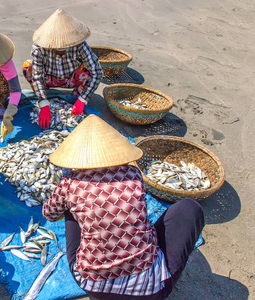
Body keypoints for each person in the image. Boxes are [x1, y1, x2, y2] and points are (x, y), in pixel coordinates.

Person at [42, 115, 204, 299]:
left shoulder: (69, 184)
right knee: (189, 208)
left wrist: (71, 199)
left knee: (69, 207)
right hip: (150, 290)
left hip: (93, 286)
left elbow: (49, 214)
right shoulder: (134, 174)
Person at [23, 9, 103, 129]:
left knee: (88, 71)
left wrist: (83, 99)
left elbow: (97, 72)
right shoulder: (39, 48)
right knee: (28, 67)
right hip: (49, 79)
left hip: (72, 79)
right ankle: (45, 96)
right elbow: (37, 76)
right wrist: (44, 104)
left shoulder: (79, 45)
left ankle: (77, 97)